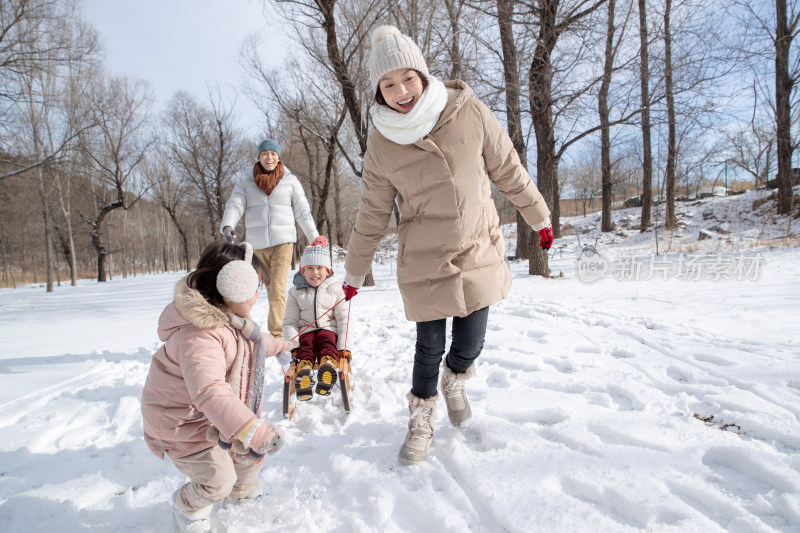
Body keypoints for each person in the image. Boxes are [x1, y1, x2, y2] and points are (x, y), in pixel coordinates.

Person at [341, 25, 554, 466]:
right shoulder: (381, 144)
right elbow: (372, 214)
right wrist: (354, 271)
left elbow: (509, 170)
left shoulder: (469, 111)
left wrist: (539, 217)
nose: (401, 91)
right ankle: (421, 418)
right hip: (425, 258)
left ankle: (455, 380)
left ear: (422, 75)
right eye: (388, 84)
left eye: (408, 78)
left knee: (470, 343)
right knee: (428, 346)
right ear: (378, 92)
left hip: (478, 246)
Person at [141, 240, 297, 533]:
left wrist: (286, 345)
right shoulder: (198, 335)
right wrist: (252, 429)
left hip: (213, 415)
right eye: (255, 289)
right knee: (218, 479)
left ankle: (242, 494)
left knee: (248, 452)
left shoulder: (230, 320)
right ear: (232, 286)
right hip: (182, 423)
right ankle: (188, 508)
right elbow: (209, 391)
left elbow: (257, 341)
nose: (256, 298)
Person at [220, 138, 322, 339]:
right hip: (256, 245)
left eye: (273, 154)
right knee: (247, 287)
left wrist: (314, 237)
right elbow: (235, 204)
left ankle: (277, 334)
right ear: (259, 157)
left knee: (276, 287)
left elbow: (303, 211)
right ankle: (239, 328)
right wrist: (228, 225)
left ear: (278, 157)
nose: (269, 157)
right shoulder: (246, 180)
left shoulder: (290, 180)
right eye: (265, 153)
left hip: (283, 242)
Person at [283, 237, 352, 400]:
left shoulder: (336, 290)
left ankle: (327, 367)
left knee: (326, 341)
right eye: (310, 268)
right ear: (302, 271)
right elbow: (290, 322)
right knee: (306, 345)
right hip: (305, 332)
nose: (315, 273)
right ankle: (304, 371)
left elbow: (345, 320)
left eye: (319, 268)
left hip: (329, 330)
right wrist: (293, 344)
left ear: (328, 270)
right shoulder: (295, 292)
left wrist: (344, 348)